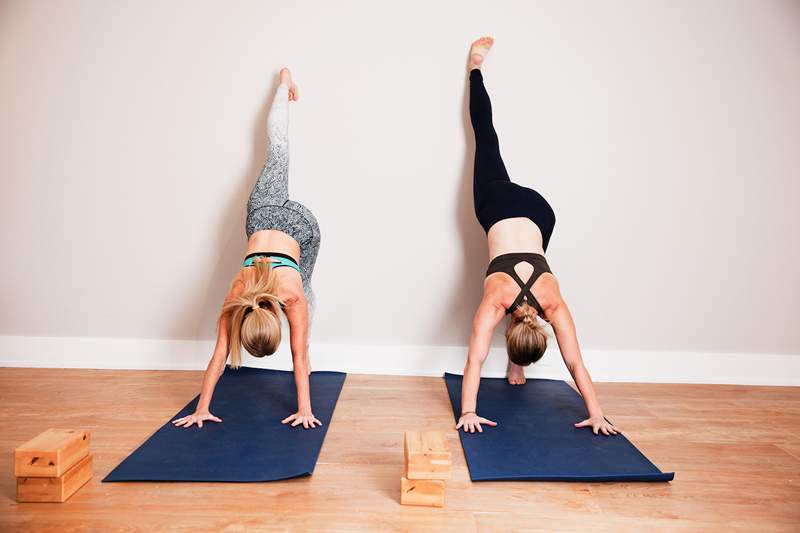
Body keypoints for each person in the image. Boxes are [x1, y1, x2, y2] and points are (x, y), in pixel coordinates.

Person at [456, 38, 618, 437]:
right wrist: (596, 414)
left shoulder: (552, 302)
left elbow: (573, 363)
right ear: (508, 328)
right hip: (500, 205)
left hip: (540, 215)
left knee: (486, 135)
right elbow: (476, 360)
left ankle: (476, 68)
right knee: (485, 136)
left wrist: (470, 413)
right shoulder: (497, 302)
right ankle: (475, 68)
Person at [173, 67, 323, 430]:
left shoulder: (280, 297)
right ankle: (283, 84)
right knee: (279, 145)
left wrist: (200, 410)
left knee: (306, 299)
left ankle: (284, 82)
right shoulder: (239, 294)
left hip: (304, 232)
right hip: (265, 215)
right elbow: (224, 355)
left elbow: (225, 356)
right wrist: (200, 408)